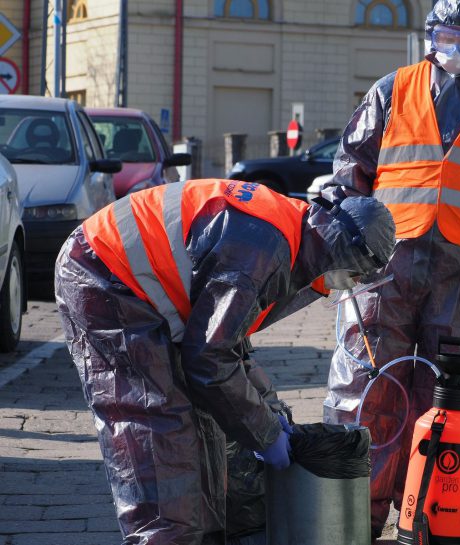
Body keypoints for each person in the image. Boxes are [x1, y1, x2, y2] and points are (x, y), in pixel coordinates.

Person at [54, 178, 395, 545]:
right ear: (342, 251)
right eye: (356, 274)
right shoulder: (265, 250)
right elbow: (211, 359)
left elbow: (228, 344)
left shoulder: (292, 235)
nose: (350, 284)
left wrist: (268, 414)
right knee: (161, 430)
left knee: (212, 423)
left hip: (135, 280)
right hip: (104, 275)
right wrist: (266, 434)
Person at [321, 0, 460, 539]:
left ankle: (425, 521)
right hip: (385, 269)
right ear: (431, 37)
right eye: (448, 37)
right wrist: (339, 247)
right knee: (368, 391)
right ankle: (354, 521)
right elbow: (350, 172)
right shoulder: (391, 91)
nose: (457, 50)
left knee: (444, 401)